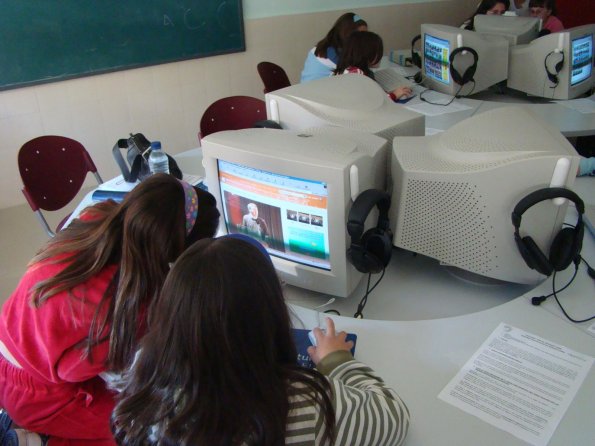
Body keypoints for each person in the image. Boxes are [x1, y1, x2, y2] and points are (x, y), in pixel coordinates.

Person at [112, 236, 410, 445]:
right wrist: (337, 361)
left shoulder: (145, 379)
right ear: (270, 315)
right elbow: (393, 418)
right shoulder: (300, 404)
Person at [0, 174, 220, 445]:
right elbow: (72, 372)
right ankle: (37, 438)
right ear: (176, 253)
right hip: (33, 391)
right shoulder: (130, 303)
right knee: (143, 428)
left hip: (11, 351)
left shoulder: (99, 214)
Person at [334, 31, 413, 101]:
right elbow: (376, 101)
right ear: (367, 54)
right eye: (378, 52)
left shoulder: (345, 69)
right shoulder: (357, 75)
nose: (380, 56)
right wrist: (395, 95)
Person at [300, 12, 368, 83]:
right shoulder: (337, 54)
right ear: (348, 35)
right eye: (361, 36)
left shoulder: (323, 46)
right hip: (316, 91)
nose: (364, 39)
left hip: (304, 89)